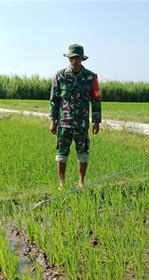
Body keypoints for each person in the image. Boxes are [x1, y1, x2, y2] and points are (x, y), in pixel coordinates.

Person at [49, 43, 102, 191]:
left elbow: (96, 99)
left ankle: (81, 181)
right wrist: (52, 121)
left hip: (81, 123)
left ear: (82, 59)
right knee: (61, 153)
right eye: (71, 58)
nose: (74, 61)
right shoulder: (59, 76)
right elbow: (54, 100)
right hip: (64, 123)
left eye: (77, 58)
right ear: (68, 58)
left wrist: (96, 121)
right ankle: (61, 183)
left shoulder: (91, 77)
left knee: (83, 153)